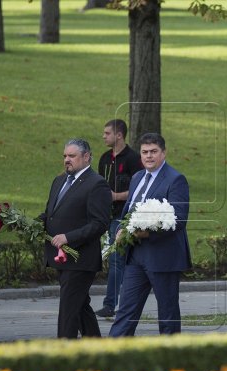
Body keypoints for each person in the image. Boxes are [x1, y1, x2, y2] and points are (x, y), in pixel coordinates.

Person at [109, 133, 191, 336]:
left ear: (163, 153)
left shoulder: (176, 179)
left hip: (163, 256)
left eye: (154, 152)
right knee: (126, 310)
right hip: (135, 256)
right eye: (145, 152)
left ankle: (170, 358)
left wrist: (147, 233)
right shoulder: (137, 177)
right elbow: (128, 211)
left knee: (167, 313)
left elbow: (179, 219)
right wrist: (122, 228)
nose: (149, 156)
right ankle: (112, 353)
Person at [39, 138, 111, 338]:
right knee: (80, 307)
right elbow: (50, 213)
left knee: (69, 308)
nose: (66, 160)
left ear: (86, 157)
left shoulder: (97, 184)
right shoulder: (59, 180)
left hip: (81, 259)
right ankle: (96, 347)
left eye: (72, 156)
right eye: (64, 156)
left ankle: (64, 353)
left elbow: (100, 224)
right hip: (60, 257)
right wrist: (31, 224)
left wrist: (68, 238)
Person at [94, 119, 142, 319]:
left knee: (116, 260)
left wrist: (116, 196)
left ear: (119, 135)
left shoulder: (133, 159)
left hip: (123, 216)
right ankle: (122, 302)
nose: (104, 136)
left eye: (107, 133)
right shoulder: (105, 158)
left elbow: (139, 188)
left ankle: (110, 305)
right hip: (106, 215)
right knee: (116, 261)